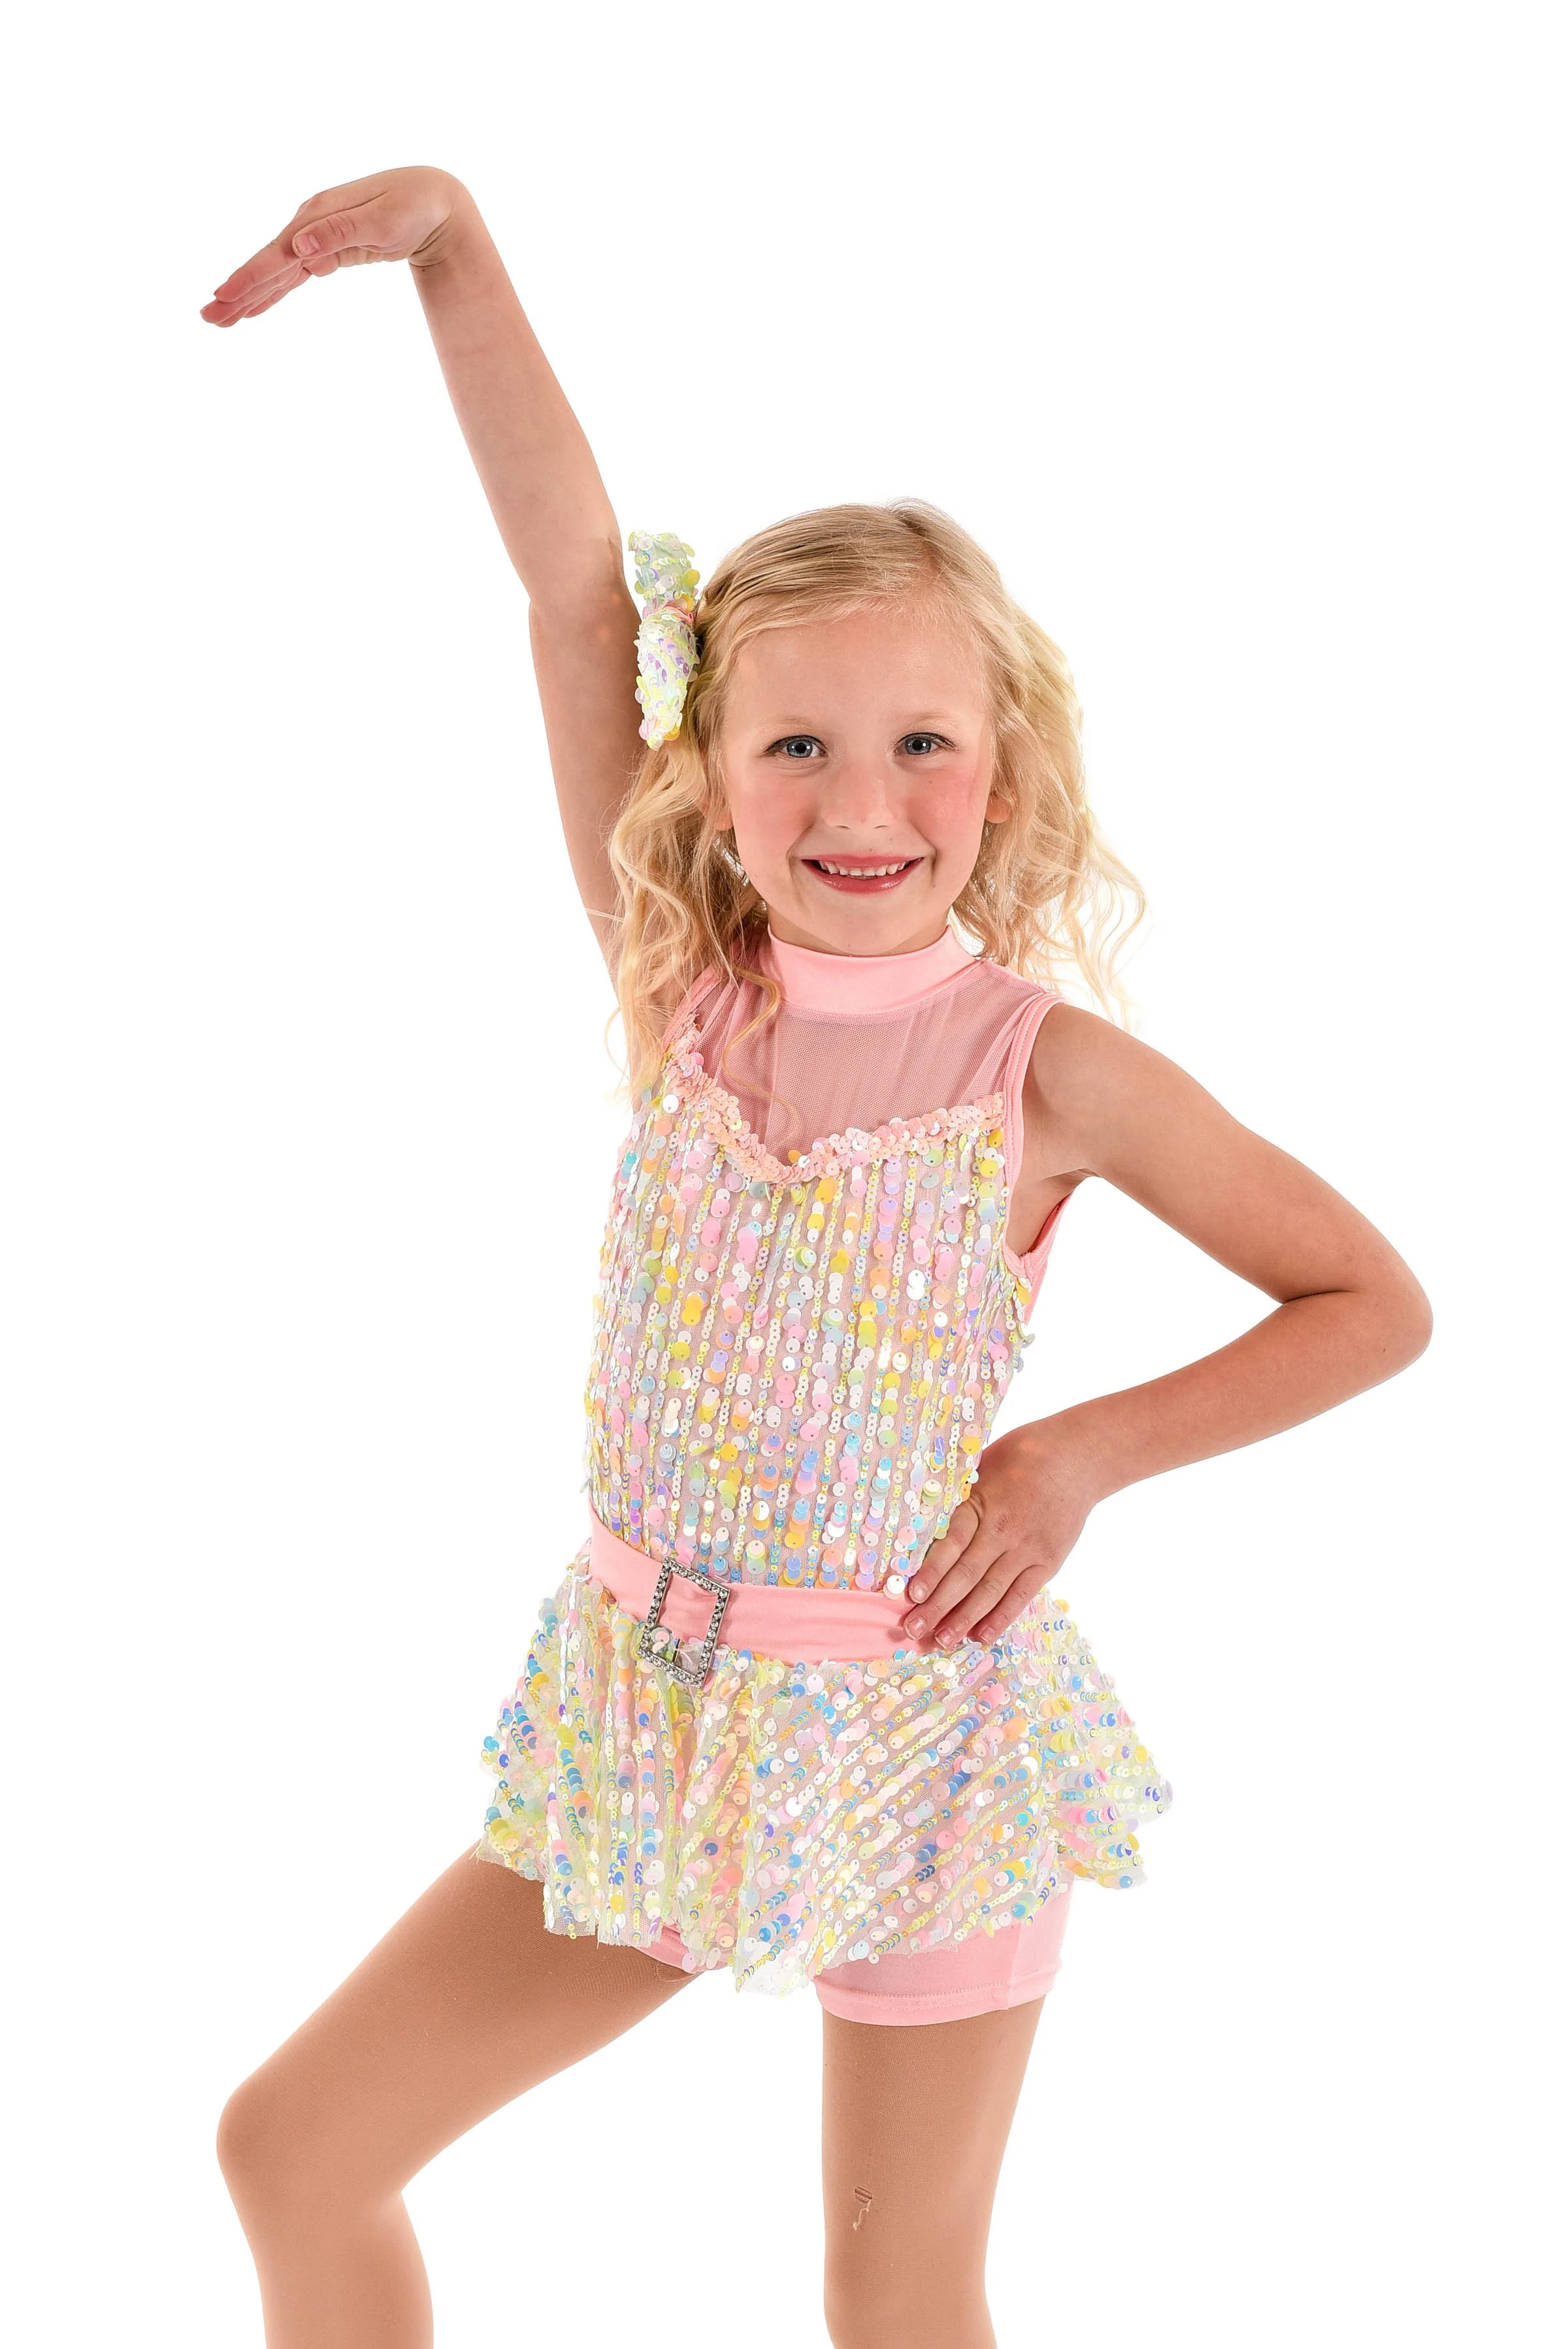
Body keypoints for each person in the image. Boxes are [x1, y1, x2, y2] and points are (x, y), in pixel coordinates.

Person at [200, 166, 1432, 2349]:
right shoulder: (686, 985)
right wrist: (454, 254)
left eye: (921, 741)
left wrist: (1070, 1462)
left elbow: (1370, 1301)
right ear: (712, 768)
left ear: (1005, 763)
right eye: (796, 740)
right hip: (656, 1726)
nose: (863, 798)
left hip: (929, 1745)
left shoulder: (1047, 1068)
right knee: (296, 2145)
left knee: (897, 2305)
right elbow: (579, 598)